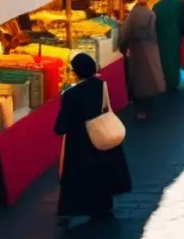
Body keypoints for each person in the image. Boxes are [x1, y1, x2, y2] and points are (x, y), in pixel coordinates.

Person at [54, 53, 132, 223]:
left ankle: (74, 210)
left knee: (80, 178)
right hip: (100, 134)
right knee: (101, 174)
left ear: (76, 72)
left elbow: (63, 123)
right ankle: (103, 207)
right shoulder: (100, 85)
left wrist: (59, 128)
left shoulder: (71, 95)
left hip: (81, 141)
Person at [118, 0, 166, 119]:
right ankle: (150, 107)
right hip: (150, 48)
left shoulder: (133, 14)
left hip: (137, 49)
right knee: (151, 77)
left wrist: (122, 46)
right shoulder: (151, 13)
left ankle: (140, 111)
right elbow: (153, 32)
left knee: (138, 78)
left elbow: (125, 32)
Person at [153, 0, 184, 93]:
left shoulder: (157, 6)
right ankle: (174, 83)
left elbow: (154, 25)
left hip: (161, 38)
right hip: (175, 37)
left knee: (164, 60)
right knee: (174, 60)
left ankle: (165, 82)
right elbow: (182, 21)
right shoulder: (179, 4)